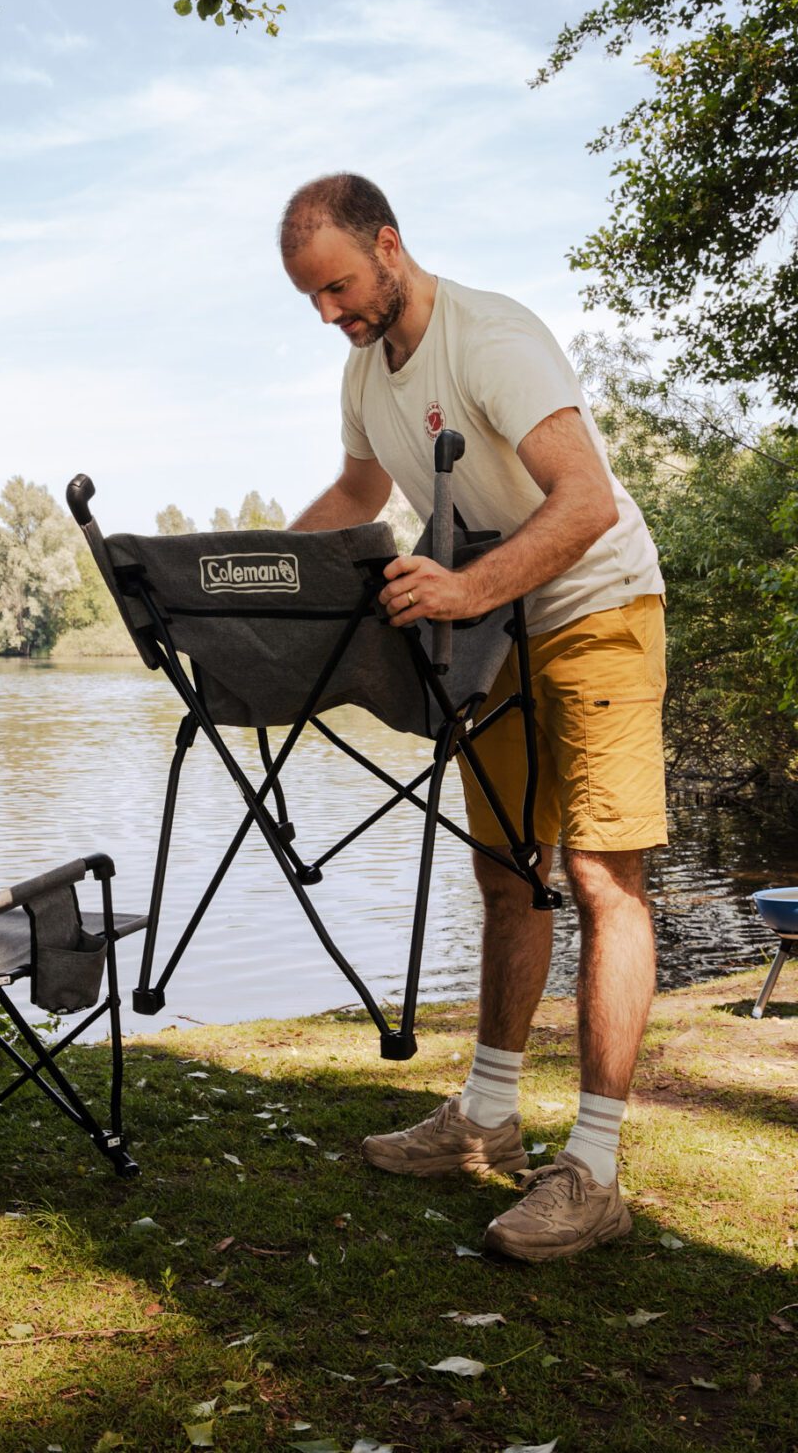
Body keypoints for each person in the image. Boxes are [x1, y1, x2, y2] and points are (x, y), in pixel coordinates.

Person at [280, 172, 667, 1263]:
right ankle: (487, 1121)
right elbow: (358, 499)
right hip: (499, 622)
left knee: (601, 876)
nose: (331, 314)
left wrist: (460, 587)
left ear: (390, 247)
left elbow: (586, 501)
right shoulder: (366, 374)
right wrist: (261, 574)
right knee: (507, 869)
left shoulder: (493, 338)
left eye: (340, 286)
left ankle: (593, 1170)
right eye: (311, 299)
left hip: (596, 603)